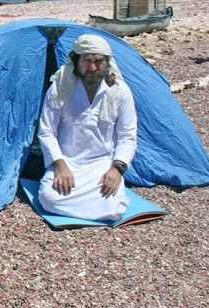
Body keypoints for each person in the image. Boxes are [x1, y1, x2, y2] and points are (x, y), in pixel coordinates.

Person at [37, 34, 137, 222]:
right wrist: (60, 166)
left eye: (99, 61)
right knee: (48, 199)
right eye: (87, 60)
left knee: (114, 209)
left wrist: (116, 170)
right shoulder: (60, 89)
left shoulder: (120, 91)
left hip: (102, 165)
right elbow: (47, 131)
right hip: (68, 163)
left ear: (107, 63)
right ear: (76, 61)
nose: (92, 67)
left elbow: (127, 136)